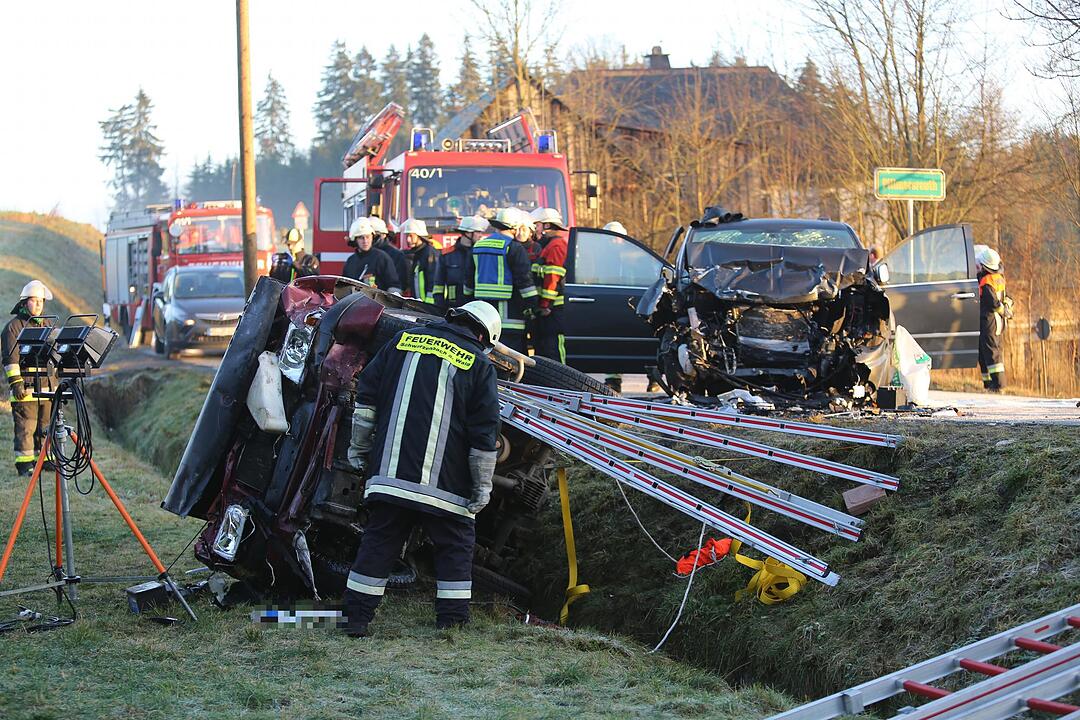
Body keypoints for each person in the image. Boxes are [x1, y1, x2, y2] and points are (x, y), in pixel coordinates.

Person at [342, 300, 502, 636]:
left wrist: (359, 449)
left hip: (390, 477)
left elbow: (366, 397)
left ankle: (355, 619)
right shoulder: (479, 363)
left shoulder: (401, 341)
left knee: (378, 543)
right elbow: (484, 434)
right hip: (446, 490)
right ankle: (451, 624)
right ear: (484, 337)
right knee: (455, 548)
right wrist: (481, 488)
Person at [465, 208, 539, 353]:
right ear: (514, 227)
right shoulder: (514, 248)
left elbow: (468, 281)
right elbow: (524, 281)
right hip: (510, 315)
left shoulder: (478, 246)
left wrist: (468, 300)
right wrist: (532, 304)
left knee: (487, 352)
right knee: (511, 356)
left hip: (483, 313)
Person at [2, 280, 54, 476]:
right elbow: (10, 358)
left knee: (45, 427)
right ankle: (25, 465)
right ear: (24, 303)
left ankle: (46, 460)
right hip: (26, 390)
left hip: (47, 388)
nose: (39, 305)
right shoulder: (13, 327)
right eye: (34, 300)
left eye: (41, 301)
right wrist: (16, 383)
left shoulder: (48, 324)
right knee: (26, 428)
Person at [530, 208, 569, 362]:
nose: (535, 229)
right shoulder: (549, 245)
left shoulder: (556, 246)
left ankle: (562, 377)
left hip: (552, 309)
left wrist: (545, 304)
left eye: (537, 225)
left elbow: (552, 277)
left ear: (547, 225)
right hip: (547, 309)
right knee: (544, 350)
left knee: (553, 349)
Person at [434, 215, 488, 309]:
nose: (481, 235)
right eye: (478, 232)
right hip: (453, 306)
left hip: (476, 306)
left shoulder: (480, 254)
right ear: (467, 233)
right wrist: (440, 307)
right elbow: (438, 285)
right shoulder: (447, 254)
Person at [976, 246, 1008, 392]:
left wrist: (1003, 310)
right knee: (985, 352)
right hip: (993, 321)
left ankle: (998, 385)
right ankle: (989, 384)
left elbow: (993, 302)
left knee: (992, 353)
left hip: (990, 322)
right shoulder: (998, 278)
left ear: (985, 265)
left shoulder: (987, 281)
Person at [343, 217, 401, 293]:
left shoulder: (382, 258)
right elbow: (344, 288)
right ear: (355, 240)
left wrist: (388, 300)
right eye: (361, 238)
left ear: (372, 237)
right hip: (355, 300)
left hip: (379, 300)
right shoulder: (351, 261)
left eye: (368, 237)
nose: (365, 241)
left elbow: (394, 286)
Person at [402, 218, 439, 303]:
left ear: (419, 236)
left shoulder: (429, 253)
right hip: (419, 303)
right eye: (407, 236)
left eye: (411, 236)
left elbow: (433, 279)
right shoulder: (417, 253)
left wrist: (429, 303)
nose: (408, 240)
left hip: (428, 304)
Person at [369, 216, 409, 294]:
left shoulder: (396, 255)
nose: (369, 239)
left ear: (384, 235)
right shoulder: (360, 256)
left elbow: (401, 284)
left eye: (374, 235)